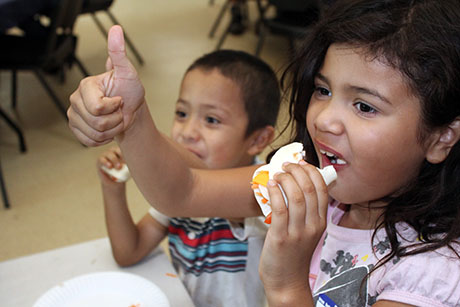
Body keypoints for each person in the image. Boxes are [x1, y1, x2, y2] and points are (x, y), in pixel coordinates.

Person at [68, 0, 460, 306]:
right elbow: (182, 191)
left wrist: (287, 284)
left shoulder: (431, 275)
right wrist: (132, 120)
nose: (324, 120)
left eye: (364, 106)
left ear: (441, 137)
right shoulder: (301, 178)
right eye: (323, 91)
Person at [96, 49, 281, 307]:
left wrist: (143, 134)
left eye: (211, 119)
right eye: (182, 113)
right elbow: (129, 252)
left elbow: (193, 187)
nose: (188, 132)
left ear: (258, 139)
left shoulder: (264, 192)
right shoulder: (175, 186)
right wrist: (112, 189)